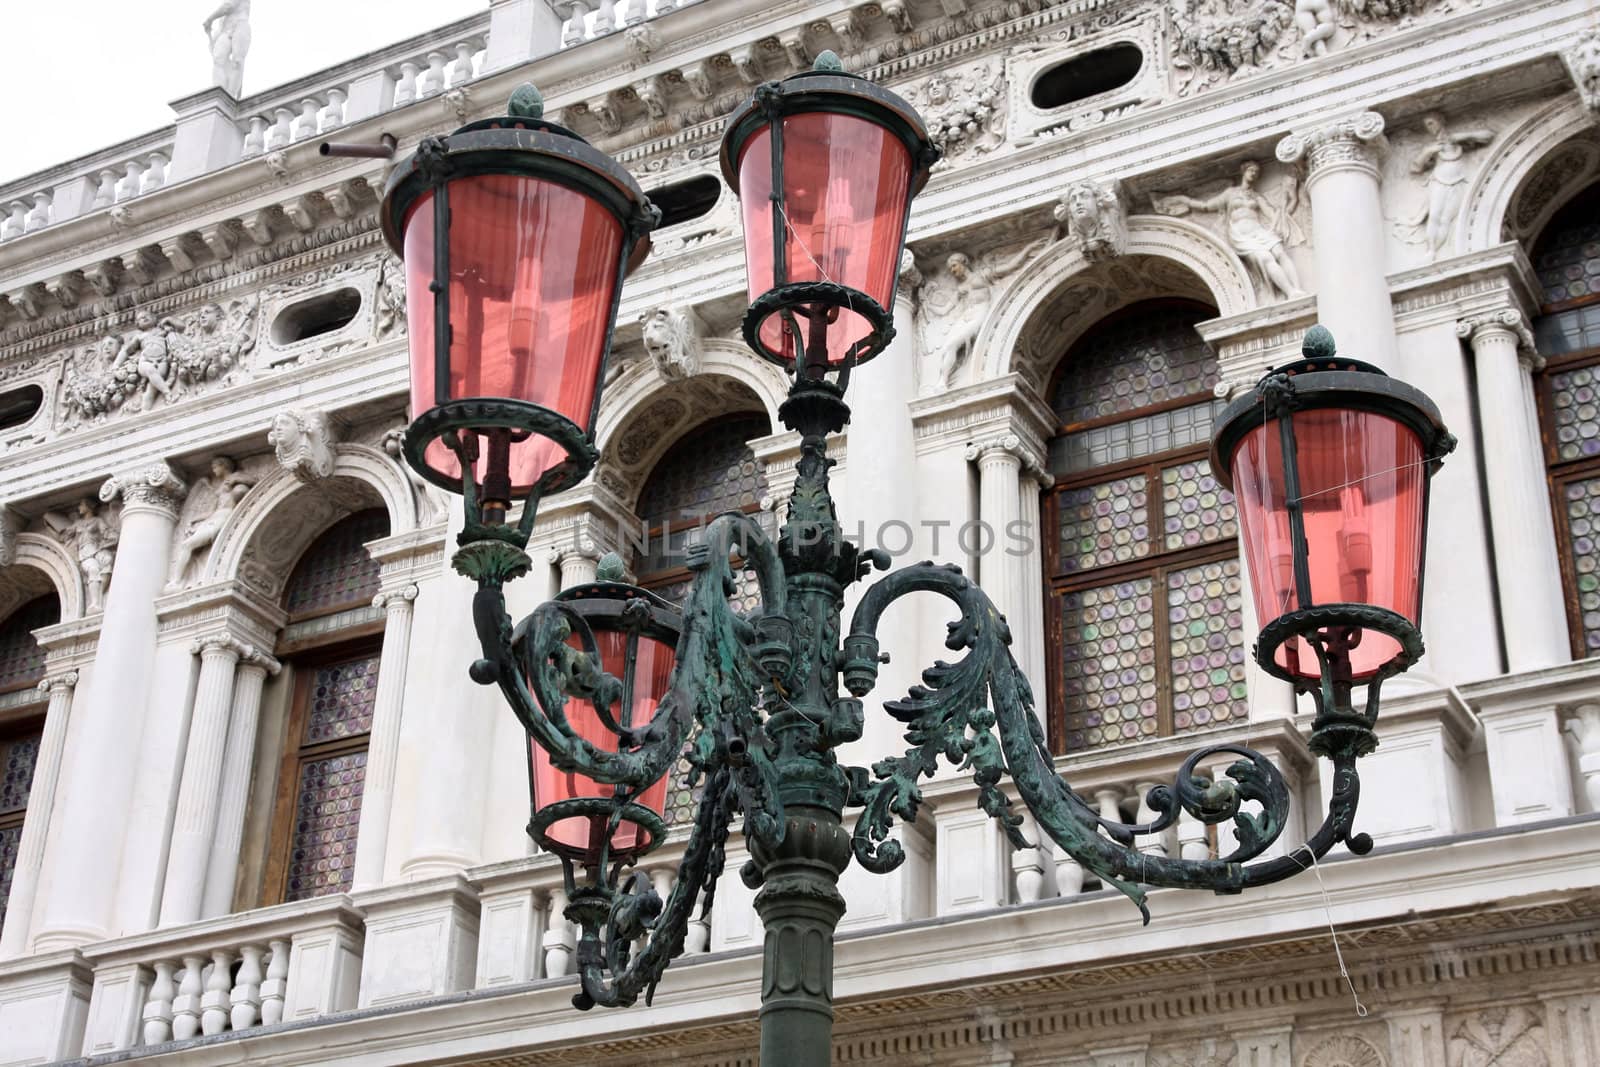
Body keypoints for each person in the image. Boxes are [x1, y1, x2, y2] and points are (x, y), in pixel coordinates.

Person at [1156, 161, 1304, 300]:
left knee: (1280, 252)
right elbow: (1206, 206)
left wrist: (1293, 199)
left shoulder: (1256, 196)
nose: (1253, 174)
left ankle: (1297, 289)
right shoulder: (1230, 193)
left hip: (1259, 231)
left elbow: (1273, 215)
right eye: (1251, 170)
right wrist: (1184, 199)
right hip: (1241, 235)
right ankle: (1290, 292)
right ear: (1243, 172)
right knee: (1266, 258)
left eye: (1256, 172)